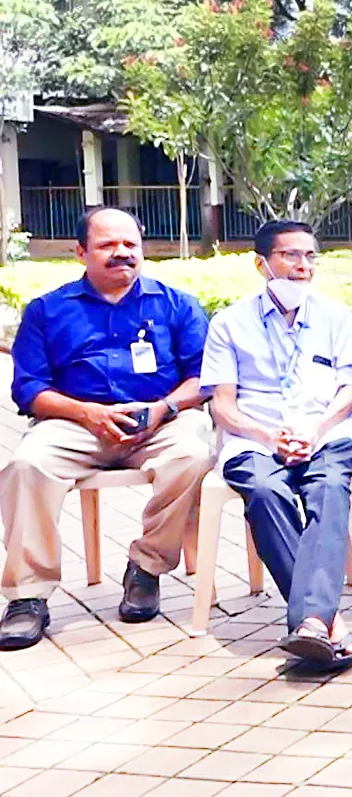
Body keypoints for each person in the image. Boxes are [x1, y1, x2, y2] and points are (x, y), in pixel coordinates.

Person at [0, 208, 213, 650]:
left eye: (130, 244)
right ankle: (28, 595)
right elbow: (29, 388)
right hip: (76, 423)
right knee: (27, 464)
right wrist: (88, 414)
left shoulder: (177, 305)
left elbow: (204, 378)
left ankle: (147, 568)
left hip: (160, 420)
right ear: (81, 252)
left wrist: (164, 408)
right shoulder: (47, 310)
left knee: (192, 455)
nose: (122, 253)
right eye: (107, 245)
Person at [202, 220, 352, 670]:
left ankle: (311, 622)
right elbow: (222, 404)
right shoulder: (229, 324)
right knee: (264, 492)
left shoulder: (337, 317)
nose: (303, 266)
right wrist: (268, 436)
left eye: (310, 256)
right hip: (255, 440)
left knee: (329, 489)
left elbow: (351, 390)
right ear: (261, 264)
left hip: (326, 434)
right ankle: (325, 623)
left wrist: (314, 431)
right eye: (290, 255)